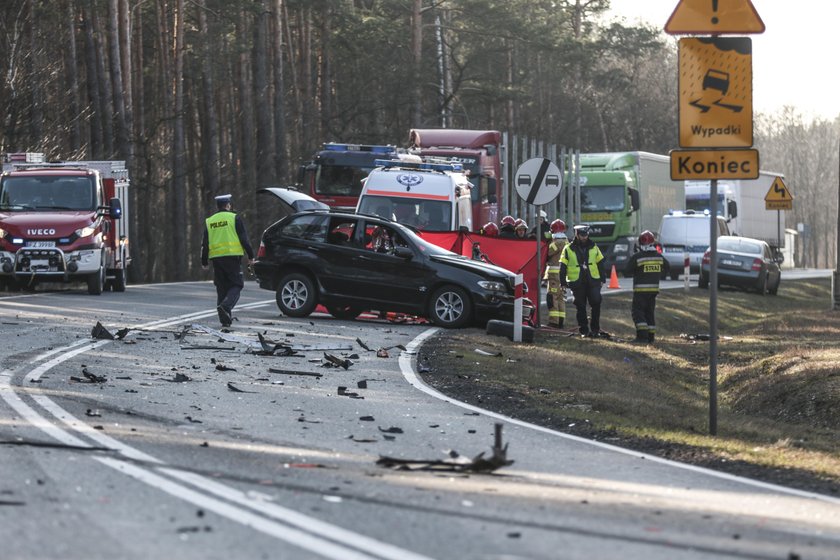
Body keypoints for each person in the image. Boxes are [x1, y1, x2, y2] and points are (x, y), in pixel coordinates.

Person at [201, 194, 255, 328]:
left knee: (221, 287)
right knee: (237, 285)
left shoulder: (210, 221)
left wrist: (204, 261)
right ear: (228, 205)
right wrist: (251, 256)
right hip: (232, 257)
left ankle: (224, 319)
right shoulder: (234, 218)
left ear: (218, 206)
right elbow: (244, 239)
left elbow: (205, 243)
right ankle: (225, 306)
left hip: (216, 259)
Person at [559, 224, 607, 338]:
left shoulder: (594, 246)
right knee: (580, 306)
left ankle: (595, 330)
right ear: (577, 235)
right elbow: (563, 266)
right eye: (582, 235)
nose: (584, 237)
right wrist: (563, 283)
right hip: (577, 281)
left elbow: (600, 263)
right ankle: (584, 330)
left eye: (586, 235)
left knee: (596, 302)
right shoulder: (568, 249)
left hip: (593, 280)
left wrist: (603, 278)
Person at [624, 230, 669, 343]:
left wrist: (634, 257)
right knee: (649, 313)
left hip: (640, 291)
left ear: (640, 243)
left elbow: (627, 271)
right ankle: (650, 337)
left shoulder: (638, 257)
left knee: (638, 313)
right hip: (653, 291)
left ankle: (642, 337)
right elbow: (667, 267)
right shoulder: (659, 257)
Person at [544, 219, 567, 328]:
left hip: (554, 275)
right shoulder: (567, 242)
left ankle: (554, 322)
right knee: (561, 298)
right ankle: (561, 321)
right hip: (563, 275)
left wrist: (547, 241)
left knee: (552, 297)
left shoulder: (555, 243)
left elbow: (547, 252)